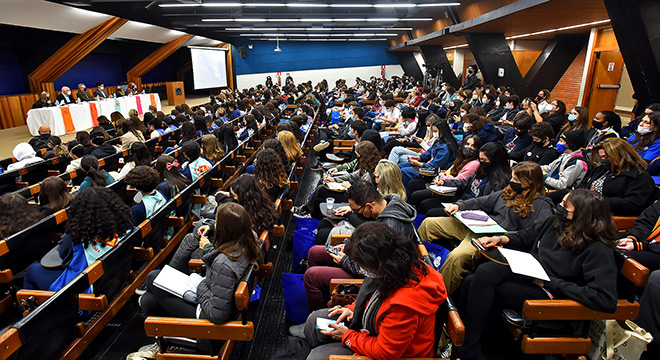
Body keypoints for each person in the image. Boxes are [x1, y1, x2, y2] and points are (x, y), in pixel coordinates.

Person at [458, 189, 619, 360]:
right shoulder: (556, 222)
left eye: (565, 206)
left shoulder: (598, 249)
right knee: (478, 275)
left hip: (552, 292)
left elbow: (605, 299)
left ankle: (470, 347)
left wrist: (550, 283)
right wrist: (500, 239)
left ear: (582, 215)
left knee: (476, 282)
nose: (560, 207)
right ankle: (470, 343)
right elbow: (527, 236)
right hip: (531, 272)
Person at [300, 222, 446, 360]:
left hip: (400, 355)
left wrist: (348, 336)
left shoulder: (405, 306)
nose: (362, 270)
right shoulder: (397, 268)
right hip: (376, 330)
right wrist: (353, 309)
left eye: (363, 266)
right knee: (315, 322)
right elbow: (376, 297)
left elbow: (385, 352)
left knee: (317, 356)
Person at [419, 162, 554, 294]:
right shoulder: (509, 191)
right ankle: (418, 270)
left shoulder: (542, 205)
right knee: (429, 224)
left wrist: (501, 238)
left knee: (457, 257)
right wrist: (459, 205)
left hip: (494, 239)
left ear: (529, 182)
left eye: (516, 179)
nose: (511, 181)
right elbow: (483, 201)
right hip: (478, 227)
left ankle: (438, 296)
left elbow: (530, 235)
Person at [139, 202, 263, 323]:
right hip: (212, 292)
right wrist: (212, 226)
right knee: (148, 300)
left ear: (224, 230)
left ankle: (168, 338)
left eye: (217, 223)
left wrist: (200, 285)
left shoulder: (223, 264)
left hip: (203, 314)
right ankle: (164, 339)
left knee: (151, 280)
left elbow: (217, 315)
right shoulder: (250, 237)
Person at [23, 187, 133, 291]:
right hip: (114, 277)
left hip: (85, 288)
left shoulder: (75, 236)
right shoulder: (123, 229)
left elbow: (62, 255)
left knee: (32, 270)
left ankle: (39, 309)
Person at [170, 174, 278, 272]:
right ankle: (171, 274)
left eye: (235, 197)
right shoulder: (259, 209)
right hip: (231, 247)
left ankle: (169, 276)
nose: (233, 199)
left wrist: (207, 247)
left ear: (245, 197)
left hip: (230, 254)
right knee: (190, 239)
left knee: (193, 250)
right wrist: (211, 226)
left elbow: (234, 250)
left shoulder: (244, 217)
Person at [554, 138, 655, 216]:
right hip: (582, 208)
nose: (603, 161)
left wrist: (594, 200)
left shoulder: (639, 177)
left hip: (604, 216)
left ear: (621, 156)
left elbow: (632, 205)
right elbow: (582, 187)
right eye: (602, 157)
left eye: (606, 157)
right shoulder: (602, 169)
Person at [413, 142, 511, 216]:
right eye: (480, 159)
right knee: (424, 203)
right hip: (462, 199)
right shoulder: (482, 169)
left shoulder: (500, 181)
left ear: (495, 161)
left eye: (484, 160)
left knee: (432, 212)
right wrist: (445, 182)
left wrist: (461, 205)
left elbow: (487, 202)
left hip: (473, 208)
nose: (481, 162)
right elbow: (464, 182)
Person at [399, 120, 457, 188]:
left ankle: (406, 196)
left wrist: (418, 164)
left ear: (442, 132)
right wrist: (419, 158)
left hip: (434, 172)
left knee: (403, 171)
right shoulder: (438, 141)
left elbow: (435, 166)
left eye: (435, 131)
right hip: (427, 165)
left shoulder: (445, 147)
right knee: (399, 166)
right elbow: (429, 152)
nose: (434, 133)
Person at [617, 200, 660, 271]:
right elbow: (646, 221)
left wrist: (638, 246)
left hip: (656, 251)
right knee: (605, 241)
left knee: (620, 258)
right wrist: (633, 238)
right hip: (646, 242)